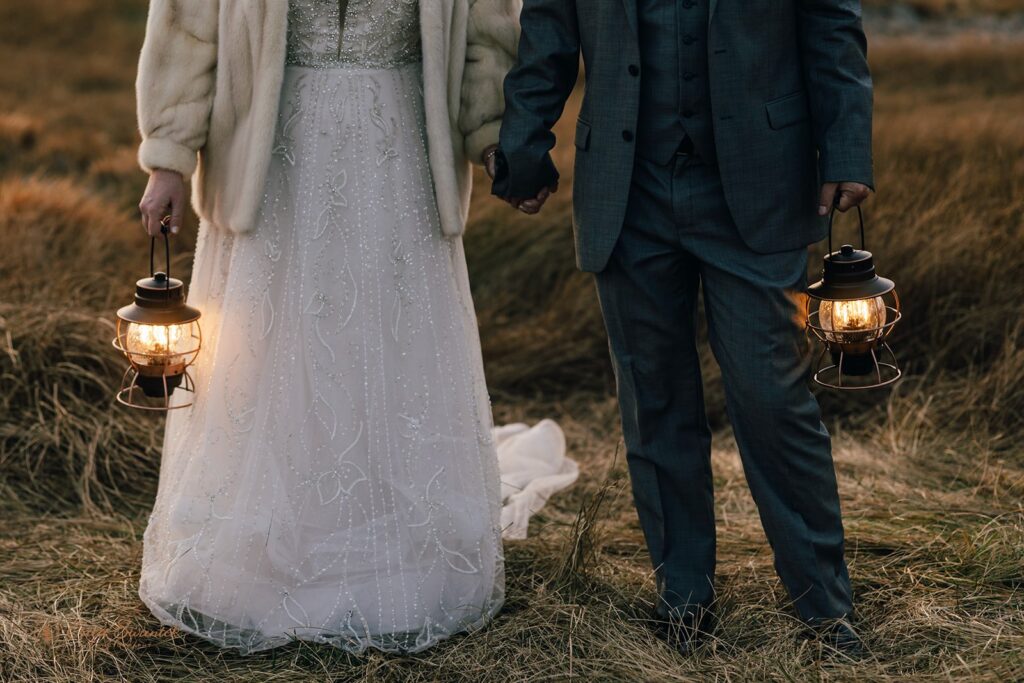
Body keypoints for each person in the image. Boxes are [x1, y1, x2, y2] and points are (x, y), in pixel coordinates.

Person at [133, 0, 575, 655]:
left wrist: (493, 137)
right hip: (268, 151)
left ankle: (393, 565)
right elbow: (188, 20)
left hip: (399, 159)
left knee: (387, 349)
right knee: (272, 353)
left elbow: (483, 27)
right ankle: (257, 561)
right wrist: (169, 157)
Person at [491, 0, 874, 657]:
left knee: (771, 398)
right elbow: (549, 28)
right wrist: (524, 145)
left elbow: (831, 19)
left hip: (759, 179)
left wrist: (847, 146)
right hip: (626, 186)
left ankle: (823, 604)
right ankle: (684, 601)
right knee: (654, 399)